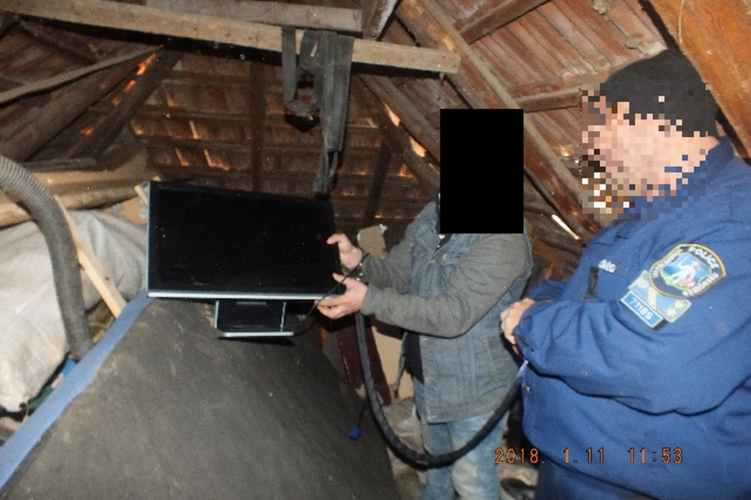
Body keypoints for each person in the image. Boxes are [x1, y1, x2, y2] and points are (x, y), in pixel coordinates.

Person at [501, 47, 751, 499]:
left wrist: (533, 322)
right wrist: (547, 299)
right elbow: (604, 298)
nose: (593, 149)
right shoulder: (656, 211)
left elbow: (651, 360)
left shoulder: (733, 223)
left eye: (604, 126)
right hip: (582, 468)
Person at [317, 201, 531, 500]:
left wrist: (369, 300)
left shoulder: (504, 239)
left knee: (472, 484)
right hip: (428, 375)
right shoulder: (434, 212)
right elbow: (397, 274)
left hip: (474, 390)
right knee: (437, 465)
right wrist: (357, 260)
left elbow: (451, 315)